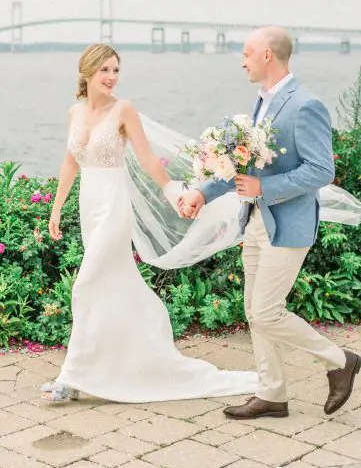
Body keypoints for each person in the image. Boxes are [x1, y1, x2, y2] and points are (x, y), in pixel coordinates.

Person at [42, 43, 258, 403]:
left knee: (85, 286)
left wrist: (173, 191)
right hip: (88, 206)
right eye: (105, 71)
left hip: (113, 206)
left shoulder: (124, 111)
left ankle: (71, 378)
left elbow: (147, 160)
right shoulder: (74, 113)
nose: (112, 77)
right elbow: (70, 163)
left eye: (116, 70)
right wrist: (55, 206)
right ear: (87, 73)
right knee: (110, 285)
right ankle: (122, 360)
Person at [178, 26, 361, 419]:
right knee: (252, 309)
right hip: (256, 222)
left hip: (289, 224)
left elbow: (321, 170)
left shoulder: (306, 105)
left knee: (266, 312)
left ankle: (339, 360)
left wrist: (266, 186)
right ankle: (272, 395)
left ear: (267, 55)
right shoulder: (261, 103)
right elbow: (241, 167)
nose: (241, 60)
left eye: (246, 53)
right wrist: (202, 192)